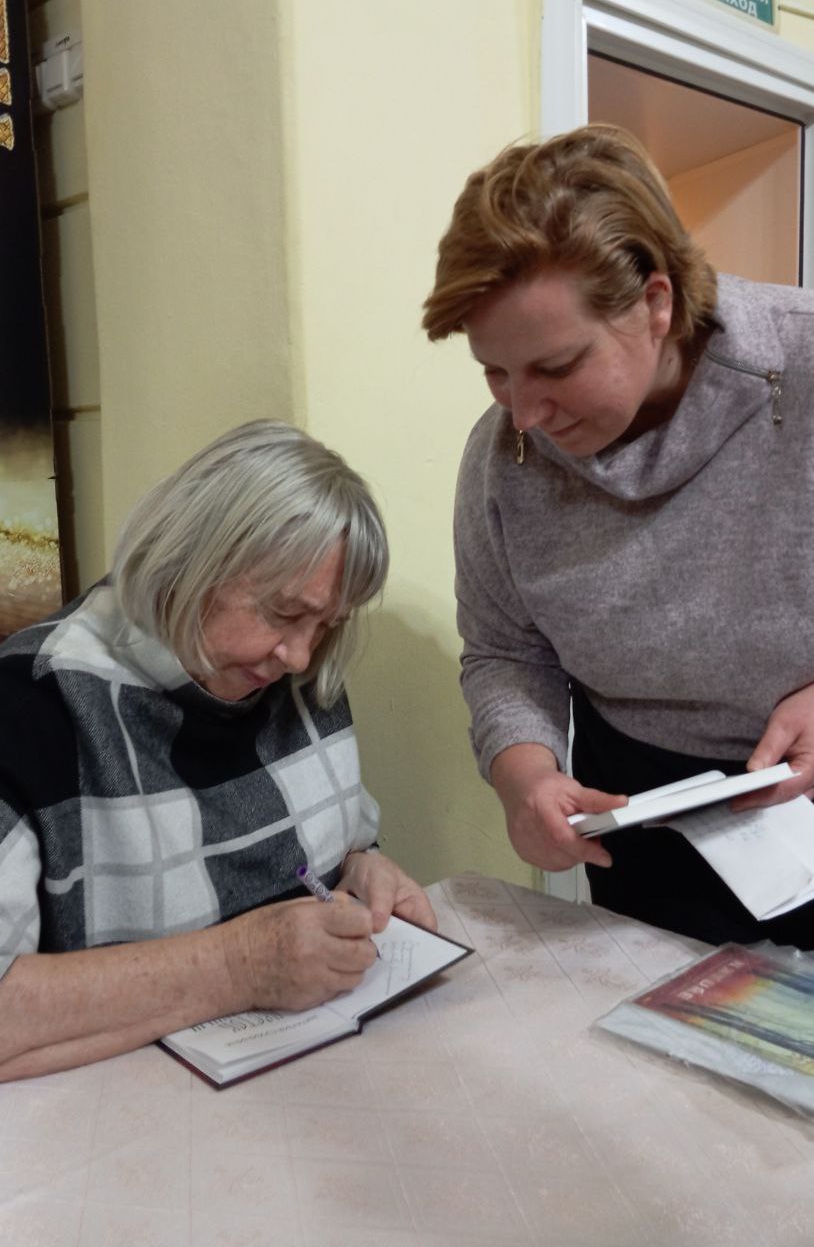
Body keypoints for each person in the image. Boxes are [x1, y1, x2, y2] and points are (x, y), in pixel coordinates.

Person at [422, 122, 814, 948]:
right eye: (495, 371)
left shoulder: (802, 367)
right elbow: (504, 651)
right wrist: (524, 775)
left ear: (656, 303)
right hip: (640, 815)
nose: (523, 415)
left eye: (557, 367)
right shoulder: (501, 461)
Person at [0, 419, 436, 1080]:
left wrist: (363, 870)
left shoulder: (290, 673)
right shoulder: (31, 708)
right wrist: (239, 967)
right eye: (283, 612)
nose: (300, 655)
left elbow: (327, 854)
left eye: (327, 624)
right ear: (191, 559)